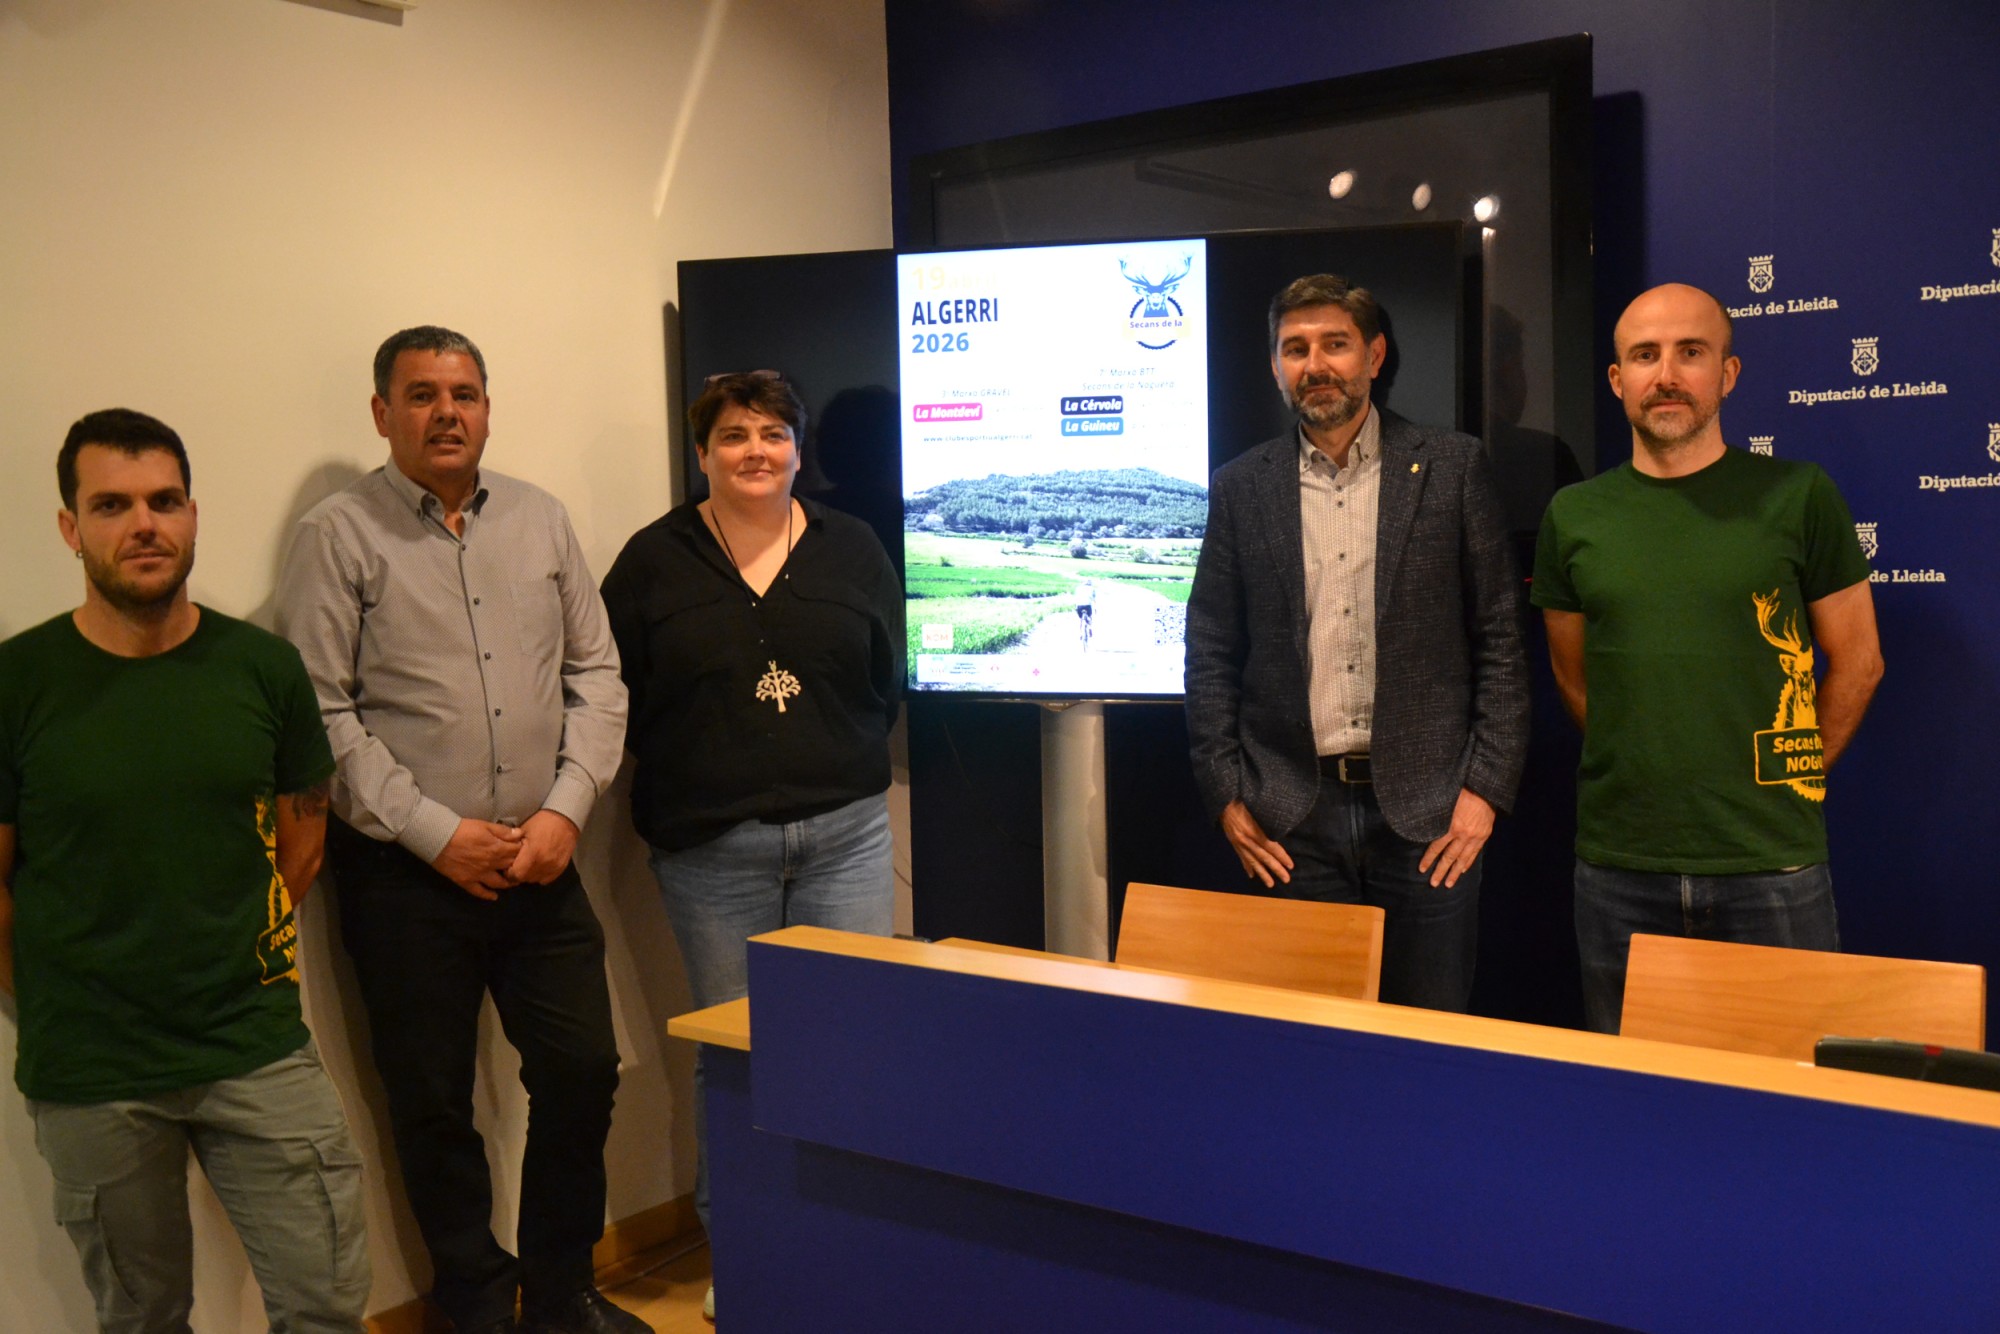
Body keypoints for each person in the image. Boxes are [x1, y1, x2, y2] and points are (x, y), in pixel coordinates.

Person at [275, 329, 645, 1334]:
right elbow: (320, 710)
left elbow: (597, 673)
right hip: (405, 877)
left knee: (582, 1069)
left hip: (542, 858)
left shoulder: (539, 518)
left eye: (465, 393)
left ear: (487, 407)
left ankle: (562, 1291)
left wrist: (567, 806)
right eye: (422, 393)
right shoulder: (337, 535)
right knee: (433, 1100)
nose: (447, 411)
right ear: (381, 413)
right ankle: (476, 1303)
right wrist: (434, 832)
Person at [0, 409, 369, 1333]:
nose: (144, 524)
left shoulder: (264, 668)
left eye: (165, 501)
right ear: (70, 526)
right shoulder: (16, 683)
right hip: (93, 1068)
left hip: (256, 1043)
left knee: (325, 1302)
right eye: (112, 505)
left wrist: (234, 949)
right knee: (143, 1318)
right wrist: (53, 996)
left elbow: (303, 843)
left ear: (193, 516)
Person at [600, 370, 901, 1324]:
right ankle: (749, 1256)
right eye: (733, 435)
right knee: (735, 1057)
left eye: (773, 433)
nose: (755, 451)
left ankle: (850, 1252)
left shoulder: (853, 548)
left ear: (799, 452)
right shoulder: (652, 562)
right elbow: (614, 695)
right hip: (711, 853)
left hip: (847, 841)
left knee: (848, 1043)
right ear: (703, 454)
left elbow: (883, 680)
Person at [1532, 283, 1883, 1032]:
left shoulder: (1799, 495)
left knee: (1790, 1089)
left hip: (1771, 865)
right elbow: (1575, 679)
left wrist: (1791, 779)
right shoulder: (1573, 515)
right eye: (1645, 355)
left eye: (1690, 352)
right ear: (1617, 379)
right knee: (1635, 1091)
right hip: (1620, 867)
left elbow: (1859, 662)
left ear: (1727, 373)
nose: (1666, 375)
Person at [1184, 274, 1530, 1012]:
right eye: (1295, 349)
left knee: (1428, 1040)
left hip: (1431, 818)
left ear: (1373, 356)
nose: (1315, 365)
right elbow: (1210, 647)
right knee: (1307, 1043)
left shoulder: (1451, 467)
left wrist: (1484, 793)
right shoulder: (1242, 487)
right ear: (1276, 367)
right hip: (1290, 820)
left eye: (1334, 344)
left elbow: (1501, 637)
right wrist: (1227, 796)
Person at [1075, 578, 1096, 644]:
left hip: (1079, 606)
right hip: (1088, 605)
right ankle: (1090, 628)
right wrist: (1095, 608)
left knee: (1080, 619)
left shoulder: (1078, 588)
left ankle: (1080, 633)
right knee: (1090, 616)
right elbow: (1094, 599)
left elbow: (1076, 598)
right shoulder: (1092, 588)